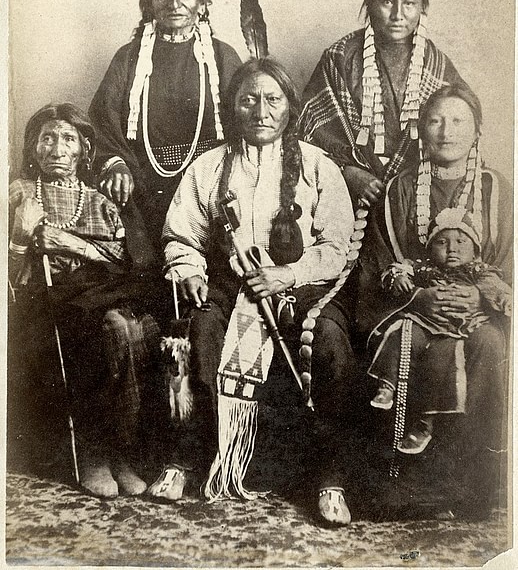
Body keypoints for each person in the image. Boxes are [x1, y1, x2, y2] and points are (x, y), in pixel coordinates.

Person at [161, 57, 359, 525]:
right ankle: (188, 461)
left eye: (273, 99)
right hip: (232, 288)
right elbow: (180, 235)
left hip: (305, 289)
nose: (261, 110)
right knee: (203, 327)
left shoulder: (316, 166)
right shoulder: (210, 167)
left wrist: (287, 275)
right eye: (248, 99)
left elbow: (336, 246)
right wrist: (188, 269)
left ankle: (330, 479)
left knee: (328, 342)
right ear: (233, 107)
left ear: (290, 106)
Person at [361, 84, 512, 517]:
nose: (446, 131)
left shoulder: (497, 190)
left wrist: (480, 298)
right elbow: (383, 263)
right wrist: (418, 297)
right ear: (421, 130)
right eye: (435, 120)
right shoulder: (399, 191)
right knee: (407, 344)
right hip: (415, 310)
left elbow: (506, 262)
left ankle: (476, 484)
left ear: (477, 129)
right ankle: (404, 484)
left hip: (477, 313)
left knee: (491, 346)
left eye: (459, 120)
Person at [8, 103, 165, 499]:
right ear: (33, 148)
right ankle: (94, 450)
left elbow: (128, 261)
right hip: (44, 309)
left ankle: (120, 449)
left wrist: (71, 244)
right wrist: (21, 239)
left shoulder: (100, 201)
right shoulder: (18, 195)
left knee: (130, 326)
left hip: (99, 297)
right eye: (47, 138)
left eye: (68, 139)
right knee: (104, 327)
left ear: (84, 150)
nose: (57, 149)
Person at [89, 0, 241, 260]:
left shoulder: (223, 57)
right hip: (143, 185)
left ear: (202, 2)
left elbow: (246, 123)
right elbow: (102, 119)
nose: (175, 1)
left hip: (211, 184)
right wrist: (115, 164)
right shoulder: (129, 57)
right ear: (149, 3)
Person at [299, 0, 468, 208]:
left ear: (422, 8)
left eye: (409, 4)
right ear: (370, 4)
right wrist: (348, 172)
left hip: (419, 193)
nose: (398, 15)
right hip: (347, 190)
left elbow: (463, 131)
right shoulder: (340, 58)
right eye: (387, 2)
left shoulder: (436, 65)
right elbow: (308, 131)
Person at [368, 207, 511, 455]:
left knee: (442, 360)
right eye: (442, 242)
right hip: (426, 322)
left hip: (457, 329)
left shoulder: (477, 271)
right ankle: (386, 385)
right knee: (402, 331)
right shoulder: (425, 268)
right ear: (430, 247)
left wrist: (506, 301)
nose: (452, 248)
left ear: (475, 249)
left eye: (460, 241)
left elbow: (498, 290)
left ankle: (425, 425)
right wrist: (398, 277)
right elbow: (398, 269)